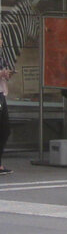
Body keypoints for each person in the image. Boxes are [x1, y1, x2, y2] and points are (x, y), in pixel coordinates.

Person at [0, 29, 13, 176]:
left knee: (5, 129)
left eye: (1, 38)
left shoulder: (1, 57)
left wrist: (7, 74)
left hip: (1, 93)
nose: (1, 42)